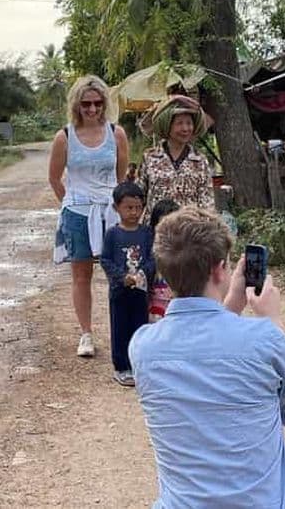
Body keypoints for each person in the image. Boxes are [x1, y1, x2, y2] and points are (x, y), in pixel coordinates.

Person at [129, 206, 285, 508]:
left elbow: (201, 350)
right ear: (219, 270)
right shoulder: (263, 338)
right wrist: (274, 322)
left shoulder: (142, 347)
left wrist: (229, 306)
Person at [49, 75, 129, 358]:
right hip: (78, 213)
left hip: (110, 213)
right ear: (77, 105)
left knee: (120, 274)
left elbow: (122, 178)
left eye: (97, 103)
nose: (92, 109)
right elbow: (55, 178)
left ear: (104, 104)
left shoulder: (116, 134)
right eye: (86, 104)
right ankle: (86, 333)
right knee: (81, 276)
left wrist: (117, 208)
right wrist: (71, 205)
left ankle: (124, 329)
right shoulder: (65, 137)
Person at [100, 182, 155, 386]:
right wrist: (122, 277)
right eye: (128, 207)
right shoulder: (112, 234)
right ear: (116, 208)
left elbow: (152, 259)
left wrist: (142, 274)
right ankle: (121, 366)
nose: (134, 212)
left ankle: (138, 365)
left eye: (138, 208)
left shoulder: (146, 233)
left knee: (140, 326)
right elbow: (105, 260)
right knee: (120, 327)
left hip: (140, 291)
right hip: (119, 291)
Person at [138, 95, 215, 223]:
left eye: (189, 123)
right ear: (167, 125)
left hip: (189, 232)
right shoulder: (150, 158)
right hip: (156, 231)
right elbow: (140, 196)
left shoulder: (200, 161)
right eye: (179, 123)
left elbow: (207, 202)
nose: (185, 129)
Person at [147, 199, 179, 323]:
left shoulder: (186, 249)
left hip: (177, 305)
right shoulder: (147, 246)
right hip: (154, 306)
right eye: (162, 225)